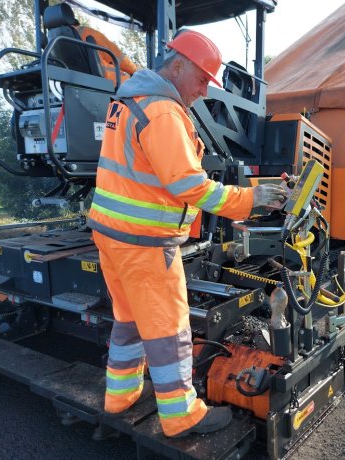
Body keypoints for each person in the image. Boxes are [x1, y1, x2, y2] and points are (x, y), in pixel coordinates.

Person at [87, 29, 286, 438]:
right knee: (169, 327)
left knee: (129, 320)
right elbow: (189, 186)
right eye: (200, 80)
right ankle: (181, 415)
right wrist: (251, 199)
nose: (203, 92)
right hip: (145, 244)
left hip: (111, 235)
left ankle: (120, 397)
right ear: (177, 66)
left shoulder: (128, 101)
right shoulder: (162, 112)